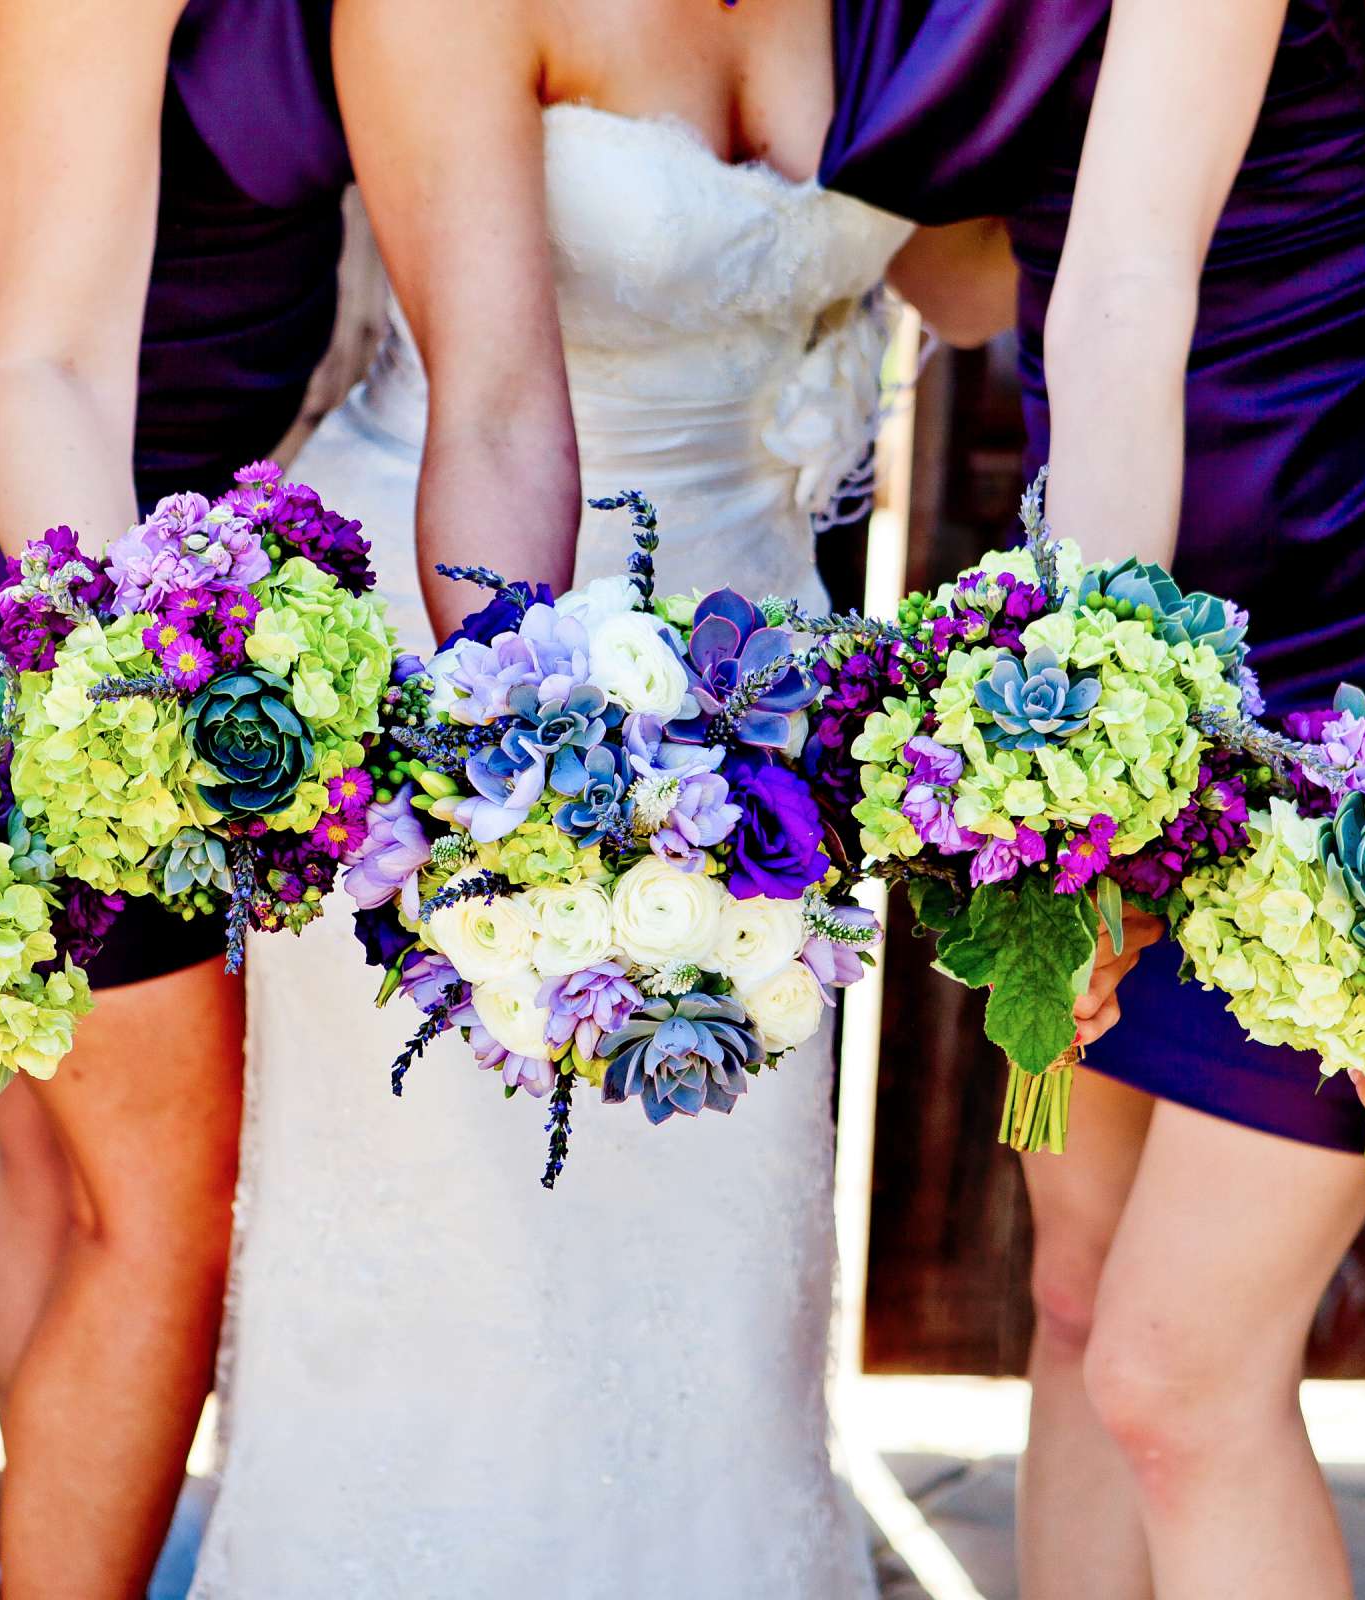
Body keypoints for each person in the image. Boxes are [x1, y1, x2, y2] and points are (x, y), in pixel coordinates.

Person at [185, 0, 943, 1591]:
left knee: (717, 1293)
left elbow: (974, 256)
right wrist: (527, 817)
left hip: (762, 682)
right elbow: (505, 405)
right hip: (473, 637)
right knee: (478, 1287)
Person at [825, 3, 1365, 1596]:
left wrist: (1092, 780)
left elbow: (1123, 300)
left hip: (1358, 670)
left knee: (1176, 1370)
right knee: (1080, 1308)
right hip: (1155, 606)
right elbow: (971, 275)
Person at [0, 2, 350, 1593]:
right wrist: (115, 691)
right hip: (19, 544)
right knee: (164, 1198)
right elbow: (46, 353)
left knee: (60, 1138)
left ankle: (37, 1559)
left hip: (158, 524)